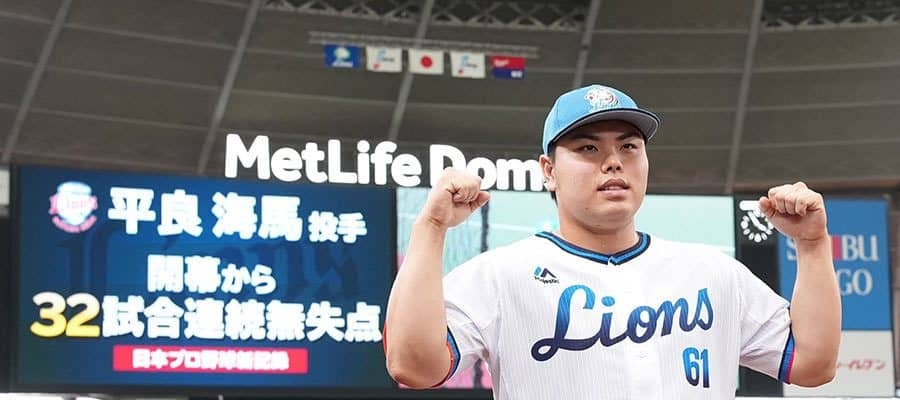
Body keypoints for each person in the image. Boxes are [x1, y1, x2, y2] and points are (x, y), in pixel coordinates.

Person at [383, 84, 841, 399]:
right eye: (588, 148)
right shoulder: (501, 274)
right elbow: (414, 367)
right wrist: (430, 228)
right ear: (548, 171)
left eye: (629, 146)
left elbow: (812, 364)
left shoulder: (712, 271)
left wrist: (812, 245)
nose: (613, 161)